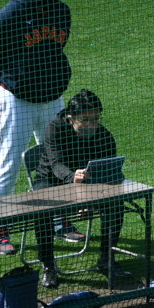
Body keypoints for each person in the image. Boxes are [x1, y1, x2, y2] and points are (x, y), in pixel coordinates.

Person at [0, 0, 72, 256]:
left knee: (56, 158)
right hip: (17, 101)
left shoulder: (61, 10)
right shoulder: (10, 13)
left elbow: (56, 48)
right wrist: (13, 82)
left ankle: (59, 220)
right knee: (10, 163)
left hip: (53, 98)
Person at [31, 89, 130, 288]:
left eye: (96, 118)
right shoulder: (54, 129)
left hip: (89, 185)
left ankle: (107, 259)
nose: (92, 125)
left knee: (115, 205)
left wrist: (88, 198)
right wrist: (72, 178)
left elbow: (107, 172)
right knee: (42, 211)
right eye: (86, 120)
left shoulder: (104, 136)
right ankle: (48, 266)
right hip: (51, 182)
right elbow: (56, 164)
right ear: (70, 118)